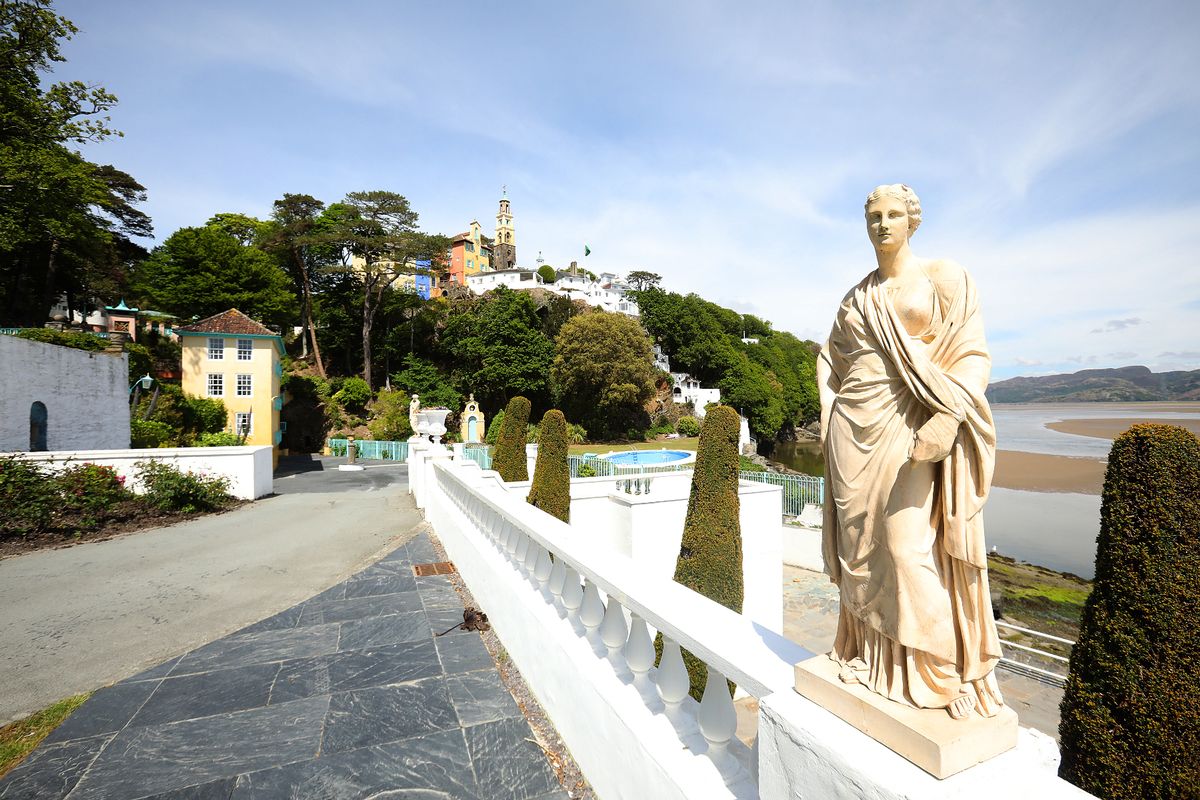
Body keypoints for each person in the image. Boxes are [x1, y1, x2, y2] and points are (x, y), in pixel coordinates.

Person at [817, 184, 1004, 720]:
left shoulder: (944, 277)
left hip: (911, 424)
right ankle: (872, 657)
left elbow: (972, 357)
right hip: (852, 430)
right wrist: (827, 413)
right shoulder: (855, 298)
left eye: (894, 215)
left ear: (912, 222)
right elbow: (828, 360)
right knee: (860, 554)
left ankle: (940, 667)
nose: (883, 224)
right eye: (874, 216)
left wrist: (949, 418)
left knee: (905, 547)